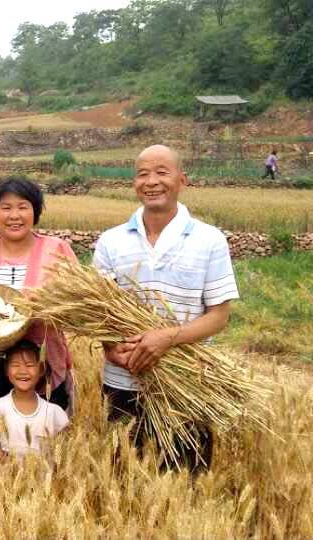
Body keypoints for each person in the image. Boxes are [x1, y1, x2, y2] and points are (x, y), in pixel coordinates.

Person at [93, 144, 239, 472]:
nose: (151, 181)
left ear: (182, 180)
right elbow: (99, 310)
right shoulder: (111, 241)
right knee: (123, 480)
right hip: (124, 379)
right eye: (143, 173)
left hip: (188, 381)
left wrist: (167, 338)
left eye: (162, 172)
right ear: (134, 183)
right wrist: (108, 346)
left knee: (186, 482)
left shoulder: (209, 239)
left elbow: (219, 316)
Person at [0, 178, 77, 411]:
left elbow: (76, 306)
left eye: (23, 207)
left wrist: (44, 307)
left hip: (42, 371)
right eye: (6, 207)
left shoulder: (57, 250)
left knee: (44, 443)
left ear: (35, 211)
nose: (14, 215)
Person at [0, 340, 69, 458]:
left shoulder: (54, 412)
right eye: (16, 365)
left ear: (41, 369)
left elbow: (62, 452)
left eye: (29, 365)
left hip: (44, 475)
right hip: (4, 474)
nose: (23, 371)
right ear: (6, 369)